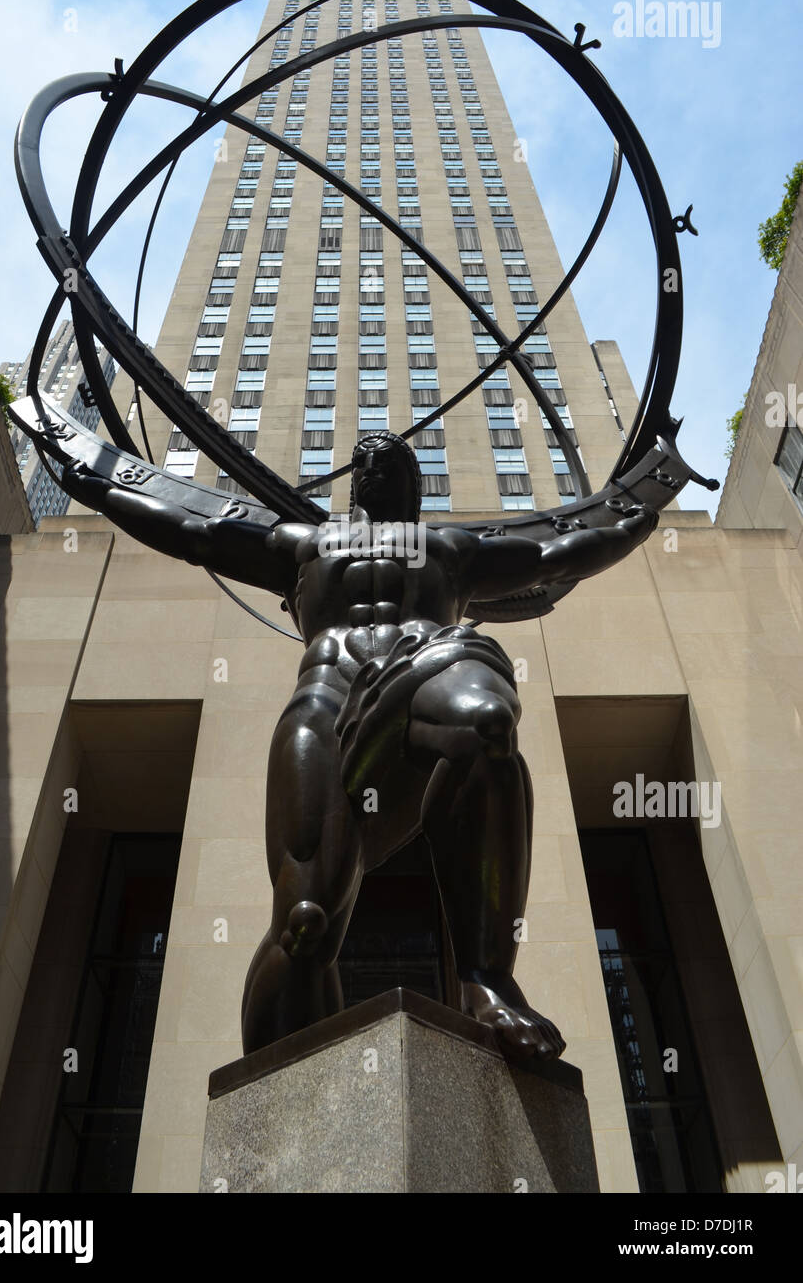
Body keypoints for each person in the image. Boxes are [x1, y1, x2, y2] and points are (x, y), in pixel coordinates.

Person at [61, 431, 657, 1058]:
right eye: (365, 461)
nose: (374, 465)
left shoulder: (449, 546)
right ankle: (273, 1087)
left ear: (415, 483)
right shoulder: (306, 543)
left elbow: (556, 555)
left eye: (392, 460)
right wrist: (102, 491)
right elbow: (195, 533)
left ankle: (487, 979)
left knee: (486, 722)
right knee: (304, 921)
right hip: (325, 696)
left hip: (423, 671)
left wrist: (637, 519)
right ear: (352, 479)